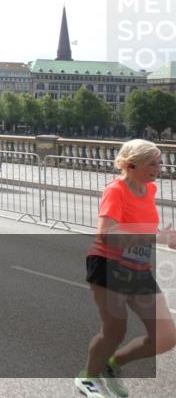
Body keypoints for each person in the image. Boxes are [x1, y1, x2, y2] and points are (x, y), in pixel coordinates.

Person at [74, 139, 176, 397]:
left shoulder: (149, 190)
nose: (159, 167)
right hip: (109, 264)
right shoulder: (115, 190)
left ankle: (112, 365)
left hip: (139, 268)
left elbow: (140, 227)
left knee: (165, 336)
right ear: (131, 164)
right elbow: (106, 232)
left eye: (159, 162)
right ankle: (88, 378)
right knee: (115, 331)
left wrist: (163, 236)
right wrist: (155, 238)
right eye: (152, 162)